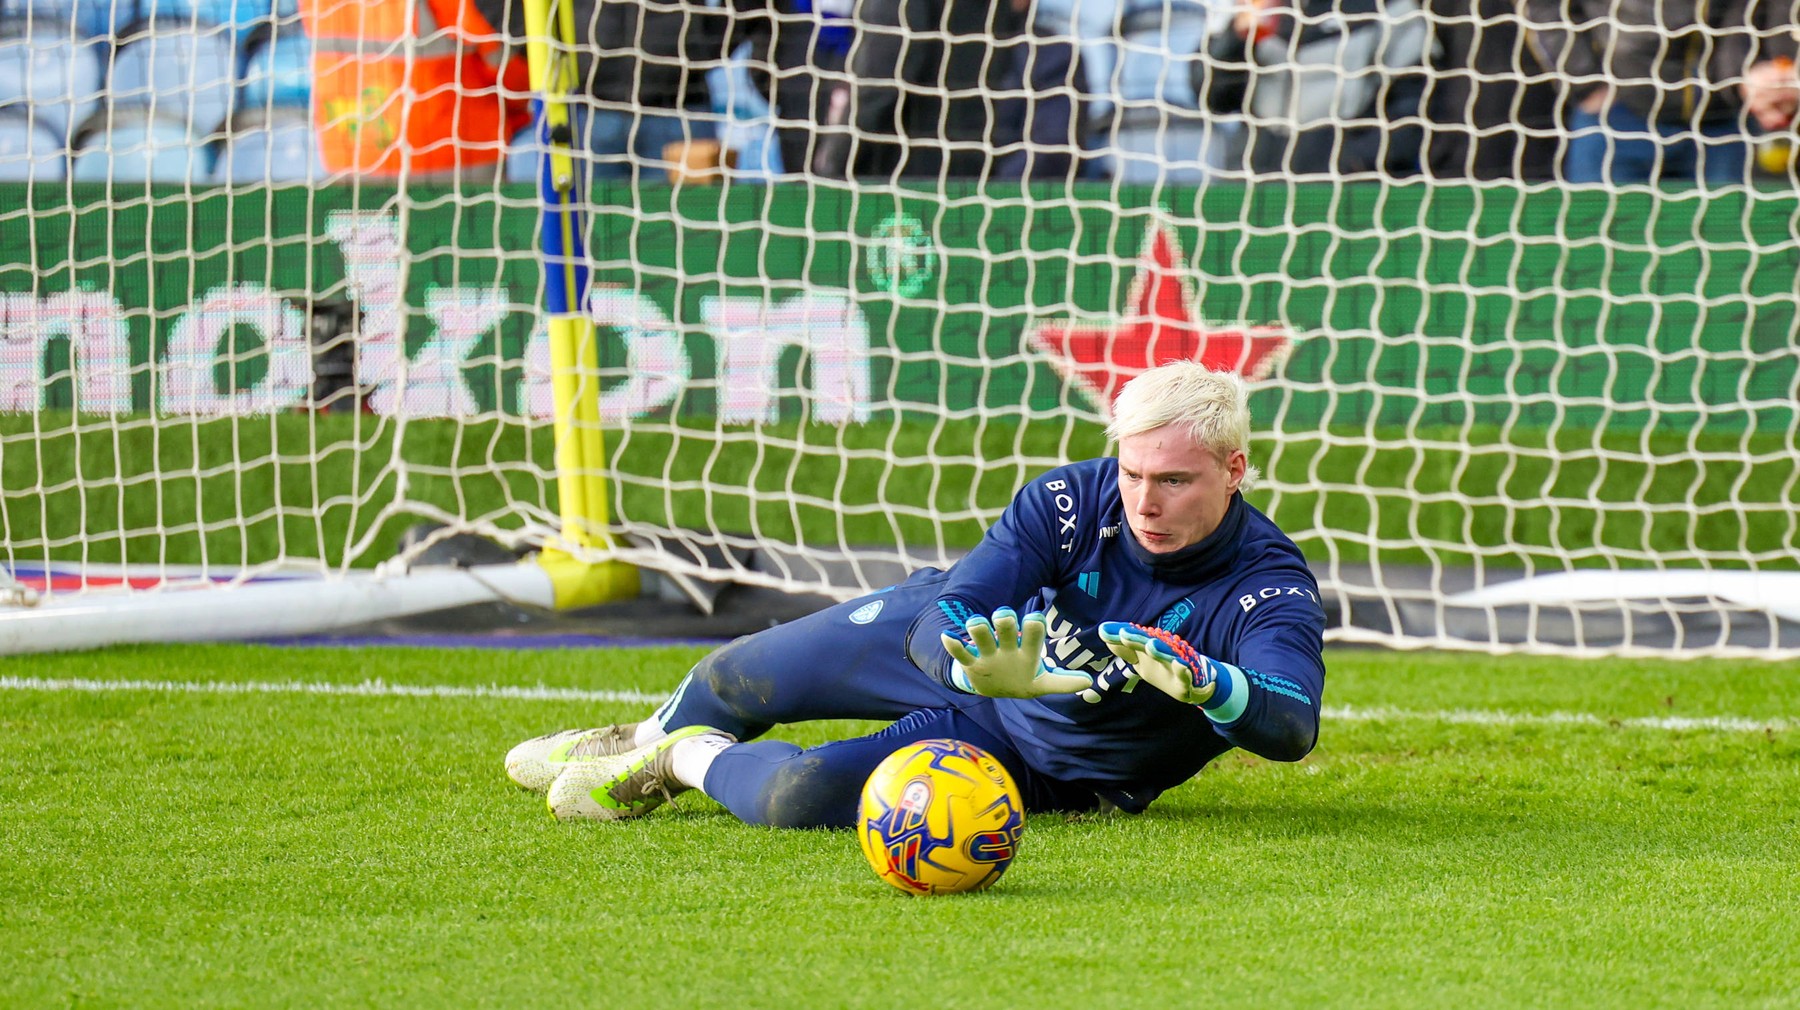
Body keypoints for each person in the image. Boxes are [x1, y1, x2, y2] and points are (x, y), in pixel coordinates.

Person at [506, 362, 1327, 827]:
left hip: (1048, 766)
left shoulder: (1267, 584)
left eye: (1175, 481)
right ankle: (636, 736)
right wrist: (981, 672)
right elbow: (948, 614)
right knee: (742, 674)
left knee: (801, 799)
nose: (1145, 502)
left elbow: (1291, 723)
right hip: (972, 670)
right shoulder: (1073, 500)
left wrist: (1215, 686)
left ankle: (683, 760)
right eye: (1134, 473)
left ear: (1234, 470)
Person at [1522, 0, 1799, 186]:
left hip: (1722, 117)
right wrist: (1585, 83)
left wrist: (1759, 70)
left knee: (1724, 260)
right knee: (1599, 257)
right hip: (1614, 114)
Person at [1200, 0, 1433, 177]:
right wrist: (1235, 38)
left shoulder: (1389, 7)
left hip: (1350, 190)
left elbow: (1416, 103)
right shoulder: (1247, 6)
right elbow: (1208, 96)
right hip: (1256, 181)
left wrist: (1355, 163)